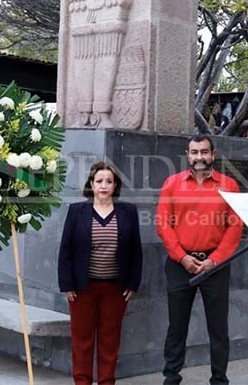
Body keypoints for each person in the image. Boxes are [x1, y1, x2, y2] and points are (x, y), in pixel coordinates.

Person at [156, 135, 243, 385]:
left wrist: (214, 260)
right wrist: (182, 258)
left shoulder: (229, 186)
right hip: (179, 265)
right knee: (176, 327)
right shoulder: (172, 184)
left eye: (204, 152)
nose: (199, 158)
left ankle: (219, 379)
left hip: (215, 266)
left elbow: (234, 228)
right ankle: (171, 378)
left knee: (218, 329)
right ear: (187, 154)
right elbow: (163, 224)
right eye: (194, 152)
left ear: (213, 155)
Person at [58, 161, 143, 385]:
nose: (104, 185)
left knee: (109, 340)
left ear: (115, 186)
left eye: (109, 181)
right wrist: (67, 285)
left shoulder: (128, 212)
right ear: (91, 185)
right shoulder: (77, 211)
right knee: (82, 340)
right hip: (82, 289)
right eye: (99, 181)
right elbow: (65, 249)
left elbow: (136, 250)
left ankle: (107, 382)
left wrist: (133, 284)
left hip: (115, 289)